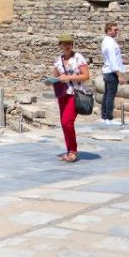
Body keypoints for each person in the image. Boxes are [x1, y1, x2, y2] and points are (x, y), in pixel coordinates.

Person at [52, 34, 91, 163]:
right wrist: (53, 80)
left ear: (72, 44)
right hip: (62, 94)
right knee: (64, 124)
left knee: (66, 122)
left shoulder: (78, 57)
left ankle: (73, 152)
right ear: (60, 45)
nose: (67, 45)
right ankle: (69, 151)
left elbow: (86, 76)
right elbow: (56, 76)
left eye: (69, 43)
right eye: (64, 43)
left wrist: (69, 78)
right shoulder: (58, 60)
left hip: (74, 94)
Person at [100, 22, 125, 126]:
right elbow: (113, 60)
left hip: (107, 71)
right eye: (115, 30)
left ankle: (104, 116)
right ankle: (109, 118)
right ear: (109, 31)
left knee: (106, 94)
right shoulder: (110, 43)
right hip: (111, 72)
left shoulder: (107, 41)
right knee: (110, 95)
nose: (117, 32)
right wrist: (119, 75)